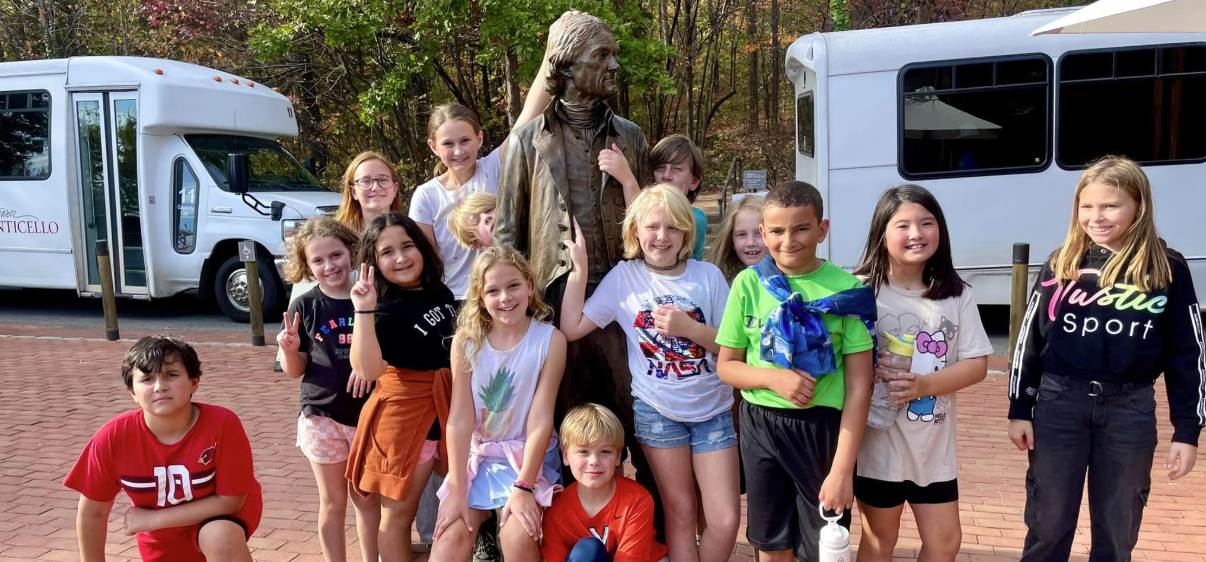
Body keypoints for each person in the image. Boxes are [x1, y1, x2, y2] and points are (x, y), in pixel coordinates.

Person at [495, 10, 658, 532]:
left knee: (633, 414)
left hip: (619, 297)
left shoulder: (630, 137)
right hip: (551, 298)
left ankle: (643, 529)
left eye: (613, 54)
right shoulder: (527, 142)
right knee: (556, 420)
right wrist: (507, 312)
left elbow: (650, 221)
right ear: (565, 68)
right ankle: (557, 531)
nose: (614, 65)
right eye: (601, 57)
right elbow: (507, 231)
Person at [1008, 156, 1204, 562]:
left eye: (1110, 205)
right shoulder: (1060, 265)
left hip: (1130, 411)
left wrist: (1187, 430)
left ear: (1138, 207)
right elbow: (1030, 341)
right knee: (1048, 523)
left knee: (1117, 531)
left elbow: (1189, 354)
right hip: (1060, 406)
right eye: (1087, 206)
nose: (1096, 216)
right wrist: (1019, 407)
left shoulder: (1168, 270)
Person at [560, 184, 739, 562]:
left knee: (724, 519)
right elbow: (572, 326)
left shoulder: (708, 276)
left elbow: (732, 349)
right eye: (653, 227)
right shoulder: (624, 278)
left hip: (713, 412)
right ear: (636, 232)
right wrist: (579, 270)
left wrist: (689, 329)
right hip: (658, 414)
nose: (662, 236)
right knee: (680, 511)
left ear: (686, 234)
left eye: (673, 227)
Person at [715, 181, 877, 562]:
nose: (788, 240)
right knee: (771, 544)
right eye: (777, 231)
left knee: (823, 548)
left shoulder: (849, 292)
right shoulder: (747, 284)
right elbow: (727, 366)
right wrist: (774, 377)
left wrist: (842, 471)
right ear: (763, 233)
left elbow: (859, 388)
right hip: (760, 426)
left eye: (802, 228)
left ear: (822, 229)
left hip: (822, 432)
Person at [850, 186, 993, 562]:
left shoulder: (957, 295)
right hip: (877, 450)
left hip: (933, 450)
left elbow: (977, 365)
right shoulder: (862, 292)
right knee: (881, 539)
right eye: (903, 225)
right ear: (881, 233)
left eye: (927, 223)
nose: (916, 233)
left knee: (946, 541)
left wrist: (925, 384)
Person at [66, 335, 263, 562]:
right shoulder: (113, 437)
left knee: (220, 536)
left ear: (194, 382)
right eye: (147, 379)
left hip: (221, 519)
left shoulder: (222, 423)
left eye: (171, 375)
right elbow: (93, 513)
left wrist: (152, 520)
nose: (160, 387)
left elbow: (231, 501)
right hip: (161, 540)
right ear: (131, 391)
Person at [430, 246, 567, 562]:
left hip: (527, 459)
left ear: (530, 286)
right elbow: (460, 418)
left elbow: (541, 418)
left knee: (517, 538)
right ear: (479, 297)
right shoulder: (466, 342)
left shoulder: (549, 340)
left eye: (514, 286)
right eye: (493, 290)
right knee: (447, 541)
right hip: (477, 459)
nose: (505, 297)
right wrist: (456, 490)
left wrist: (524, 486)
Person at [346, 212, 457, 562]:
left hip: (446, 409)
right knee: (398, 516)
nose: (401, 258)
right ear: (374, 263)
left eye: (407, 246)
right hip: (404, 419)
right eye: (387, 252)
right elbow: (367, 369)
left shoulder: (439, 291)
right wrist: (363, 311)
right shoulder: (381, 308)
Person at [409, 40, 554, 303]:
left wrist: (552, 49)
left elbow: (532, 109)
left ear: (479, 138)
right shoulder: (426, 197)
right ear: (433, 147)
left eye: (465, 141)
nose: (458, 151)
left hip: (506, 294)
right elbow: (425, 262)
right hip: (456, 299)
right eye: (448, 144)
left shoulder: (495, 166)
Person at [277, 216, 380, 562]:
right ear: (306, 265)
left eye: (335, 255)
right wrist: (290, 351)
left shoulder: (370, 294)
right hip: (321, 416)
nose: (328, 265)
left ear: (351, 251)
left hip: (368, 415)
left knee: (365, 498)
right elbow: (296, 371)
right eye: (317, 260)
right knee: (333, 501)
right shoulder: (304, 305)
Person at [541, 403, 669, 562]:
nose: (594, 461)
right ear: (566, 455)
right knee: (587, 551)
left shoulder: (637, 500)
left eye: (605, 451)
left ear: (618, 457)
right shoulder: (556, 510)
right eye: (583, 451)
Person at [604, 134, 709, 261]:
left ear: (694, 181)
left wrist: (628, 181)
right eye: (660, 168)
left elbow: (643, 247)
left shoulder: (696, 219)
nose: (666, 175)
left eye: (677, 169)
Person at [707, 195, 767, 283]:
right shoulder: (720, 284)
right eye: (742, 234)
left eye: (759, 233)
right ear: (731, 241)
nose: (751, 243)